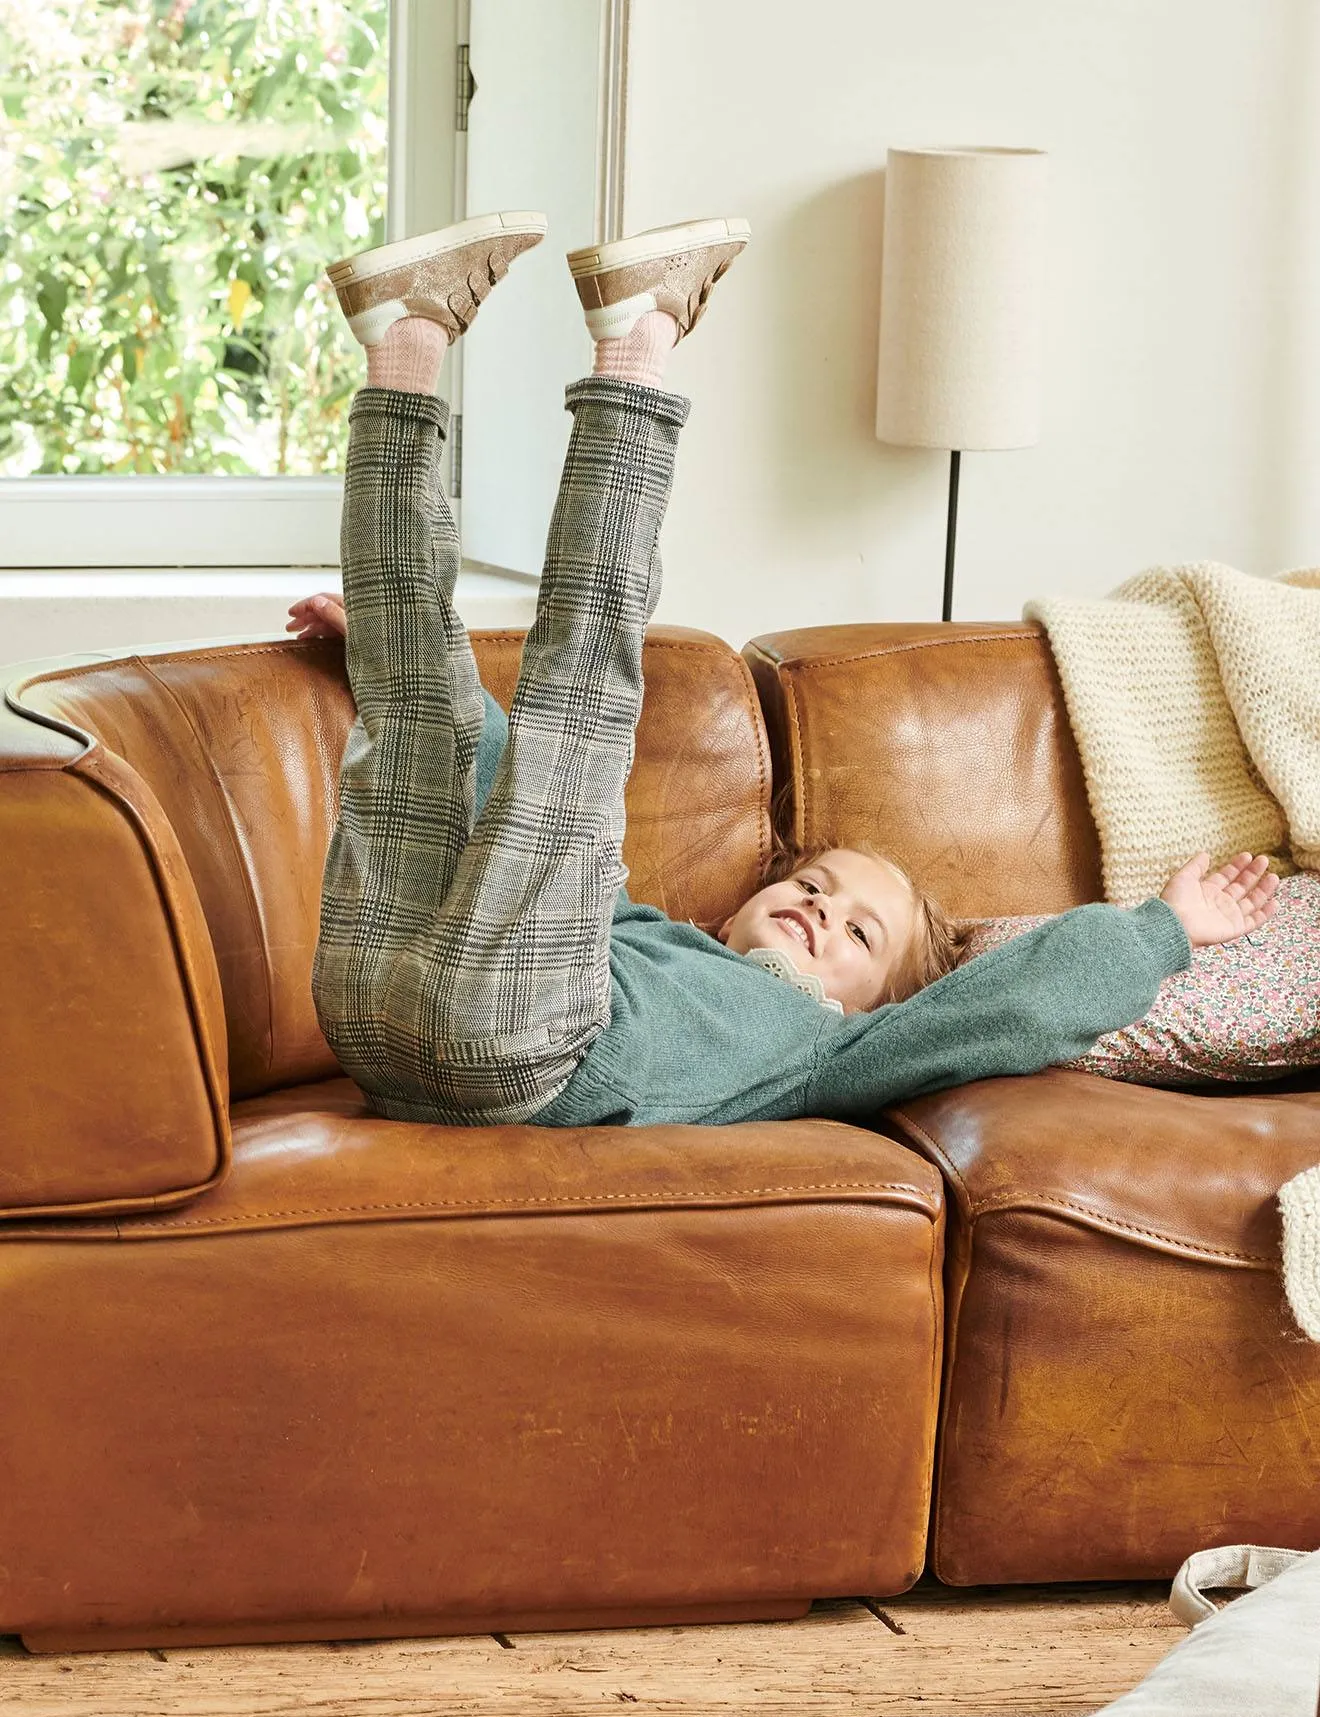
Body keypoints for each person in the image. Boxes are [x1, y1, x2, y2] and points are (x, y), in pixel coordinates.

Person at [296, 209, 1278, 1129]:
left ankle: (637, 342)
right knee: (420, 716)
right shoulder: (650, 935)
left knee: (584, 696)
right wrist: (396, 658)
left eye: (860, 936)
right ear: (736, 912)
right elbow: (523, 800)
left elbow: (1012, 1005)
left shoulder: (831, 1053)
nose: (822, 909)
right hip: (373, 1007)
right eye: (818, 885)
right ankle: (405, 334)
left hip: (513, 1049)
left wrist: (1163, 928)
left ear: (878, 1003)